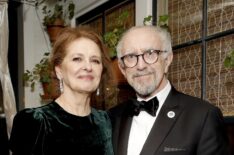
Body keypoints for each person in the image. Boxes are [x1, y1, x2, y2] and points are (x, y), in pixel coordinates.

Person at [108, 25, 230, 155]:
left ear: (167, 60)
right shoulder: (111, 118)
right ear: (122, 69)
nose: (141, 65)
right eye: (131, 56)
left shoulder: (203, 116)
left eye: (150, 53)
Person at [9, 26, 114, 155]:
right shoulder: (35, 122)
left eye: (95, 60)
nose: (88, 66)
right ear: (59, 71)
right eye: (77, 59)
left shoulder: (107, 122)